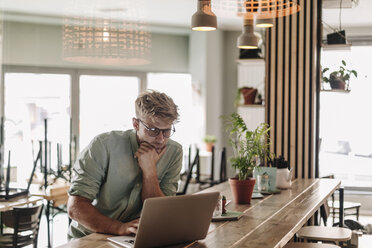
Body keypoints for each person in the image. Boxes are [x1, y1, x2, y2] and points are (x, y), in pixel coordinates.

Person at [67, 90, 183, 239]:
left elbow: (162, 213)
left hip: (132, 237)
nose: (160, 139)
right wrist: (119, 228)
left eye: (166, 131)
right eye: (153, 130)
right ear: (136, 124)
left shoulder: (174, 152)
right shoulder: (103, 146)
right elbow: (76, 206)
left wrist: (149, 172)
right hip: (90, 237)